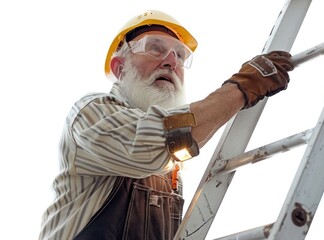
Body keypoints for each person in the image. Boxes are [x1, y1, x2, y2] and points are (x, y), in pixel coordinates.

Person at [38, 9, 294, 240]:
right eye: (155, 49)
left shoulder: (172, 167)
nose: (171, 61)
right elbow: (160, 140)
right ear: (120, 67)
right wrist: (241, 88)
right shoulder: (90, 113)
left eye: (180, 55)